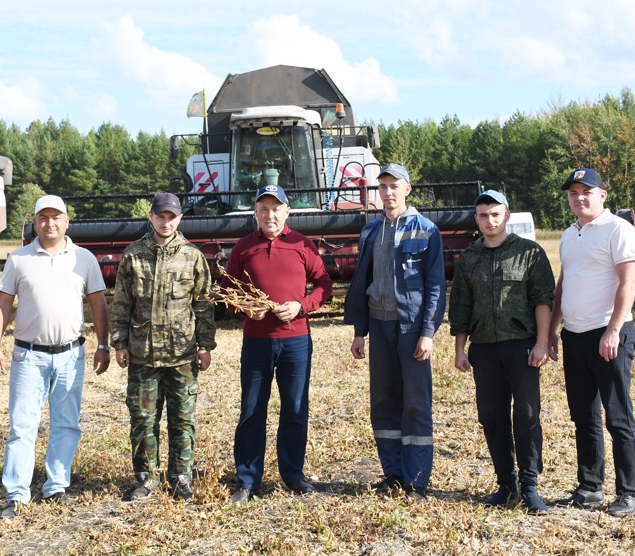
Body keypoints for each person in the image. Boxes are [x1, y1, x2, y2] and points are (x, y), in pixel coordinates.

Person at [0, 195, 110, 520]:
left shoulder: (83, 259)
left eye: (56, 217)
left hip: (71, 355)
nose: (50, 223)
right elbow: (2, 303)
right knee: (22, 426)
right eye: (44, 217)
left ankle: (56, 486)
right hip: (28, 356)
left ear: (67, 222)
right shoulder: (18, 258)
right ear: (36, 222)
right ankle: (16, 494)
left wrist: (104, 345)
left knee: (66, 424)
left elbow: (98, 303)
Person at [343, 164, 446, 501]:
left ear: (407, 189)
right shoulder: (370, 231)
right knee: (384, 402)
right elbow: (363, 282)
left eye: (394, 186)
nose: (387, 192)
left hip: (411, 327)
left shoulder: (426, 230)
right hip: (378, 324)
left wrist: (428, 332)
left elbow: (435, 286)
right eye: (382, 186)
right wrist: (360, 330)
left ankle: (417, 480)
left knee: (415, 404)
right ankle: (393, 475)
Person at [225, 185, 333, 505]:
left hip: (296, 341)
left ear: (287, 211)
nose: (269, 215)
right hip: (257, 343)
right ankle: (247, 480)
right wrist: (246, 307)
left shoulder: (302, 245)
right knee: (252, 410)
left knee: (295, 409)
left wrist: (302, 306)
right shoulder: (243, 248)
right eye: (263, 209)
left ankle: (293, 474)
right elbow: (227, 291)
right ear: (255, 214)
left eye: (276, 209)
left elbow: (324, 285)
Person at [450, 189, 554, 514]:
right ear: (476, 219)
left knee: (526, 415)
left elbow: (543, 300)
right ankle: (506, 485)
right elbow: (461, 308)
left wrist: (541, 342)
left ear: (507, 215)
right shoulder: (468, 259)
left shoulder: (529, 253)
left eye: (496, 214)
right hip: (483, 350)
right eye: (483, 215)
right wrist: (459, 349)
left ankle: (530, 486)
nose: (490, 220)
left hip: (522, 348)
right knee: (492, 417)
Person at [548, 168, 635, 517]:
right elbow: (564, 283)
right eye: (573, 193)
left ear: (603, 195)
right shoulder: (569, 235)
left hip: (608, 335)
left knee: (617, 416)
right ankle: (589, 487)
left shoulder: (619, 230)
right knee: (584, 416)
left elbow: (628, 283)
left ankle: (629, 492)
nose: (579, 198)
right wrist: (553, 330)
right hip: (574, 337)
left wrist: (613, 331)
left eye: (586, 191)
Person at [111, 192, 216, 502]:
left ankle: (181, 478)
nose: (166, 222)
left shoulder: (192, 257)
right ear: (151, 217)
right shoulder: (133, 256)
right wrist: (119, 342)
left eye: (172, 217)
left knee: (182, 419)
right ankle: (146, 478)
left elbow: (204, 305)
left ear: (179, 219)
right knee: (143, 419)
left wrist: (205, 345)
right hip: (143, 353)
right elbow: (121, 304)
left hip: (182, 355)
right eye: (161, 216)